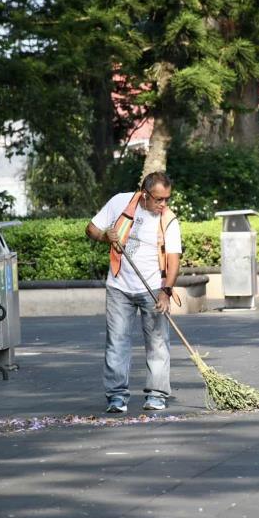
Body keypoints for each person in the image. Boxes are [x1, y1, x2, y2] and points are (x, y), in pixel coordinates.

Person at [85, 171, 182, 413]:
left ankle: (157, 394)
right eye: (158, 199)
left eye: (167, 199)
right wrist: (105, 236)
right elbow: (91, 230)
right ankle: (116, 396)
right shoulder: (120, 202)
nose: (163, 204)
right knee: (117, 342)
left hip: (153, 289)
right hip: (119, 286)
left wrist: (165, 292)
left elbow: (173, 259)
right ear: (144, 194)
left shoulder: (169, 220)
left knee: (158, 343)